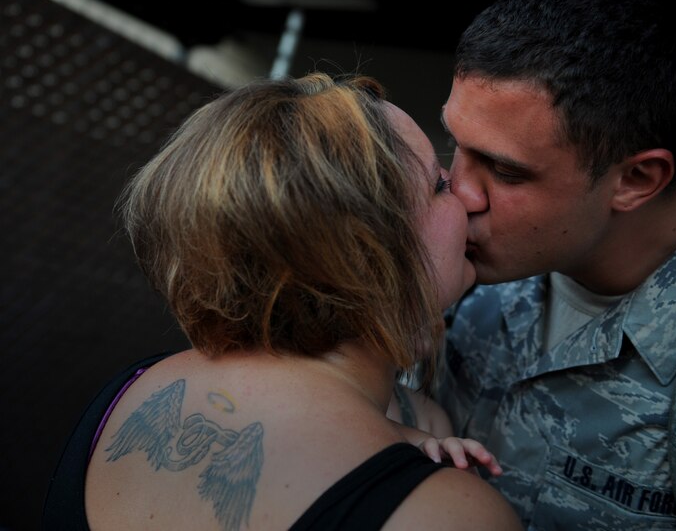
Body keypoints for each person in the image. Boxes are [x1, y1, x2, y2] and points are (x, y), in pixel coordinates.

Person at [42, 72, 521, 530]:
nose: (466, 196)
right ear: (364, 255)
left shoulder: (130, 393)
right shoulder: (443, 514)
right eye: (438, 184)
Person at [435, 0, 676, 530]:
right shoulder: (448, 262)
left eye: (505, 171)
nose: (459, 191)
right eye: (455, 144)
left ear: (635, 181)